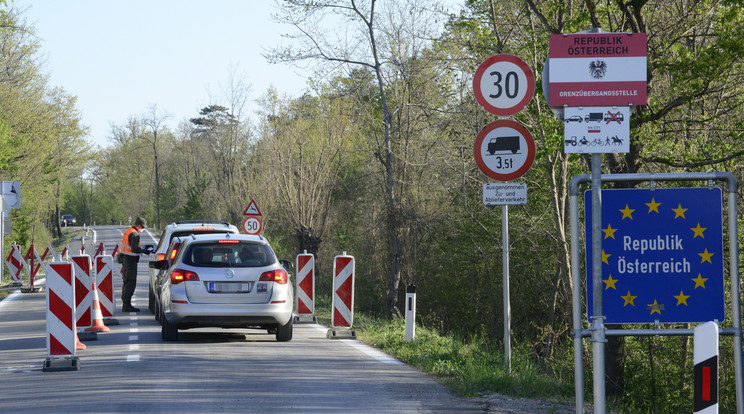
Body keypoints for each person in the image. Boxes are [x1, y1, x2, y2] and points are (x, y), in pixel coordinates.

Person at [120, 216, 153, 312]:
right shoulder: (135, 234)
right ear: (138, 225)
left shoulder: (128, 231)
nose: (142, 229)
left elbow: (130, 247)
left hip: (126, 259)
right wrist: (146, 251)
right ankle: (127, 305)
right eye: (142, 227)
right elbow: (135, 249)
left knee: (126, 282)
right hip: (131, 261)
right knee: (130, 283)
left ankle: (125, 304)